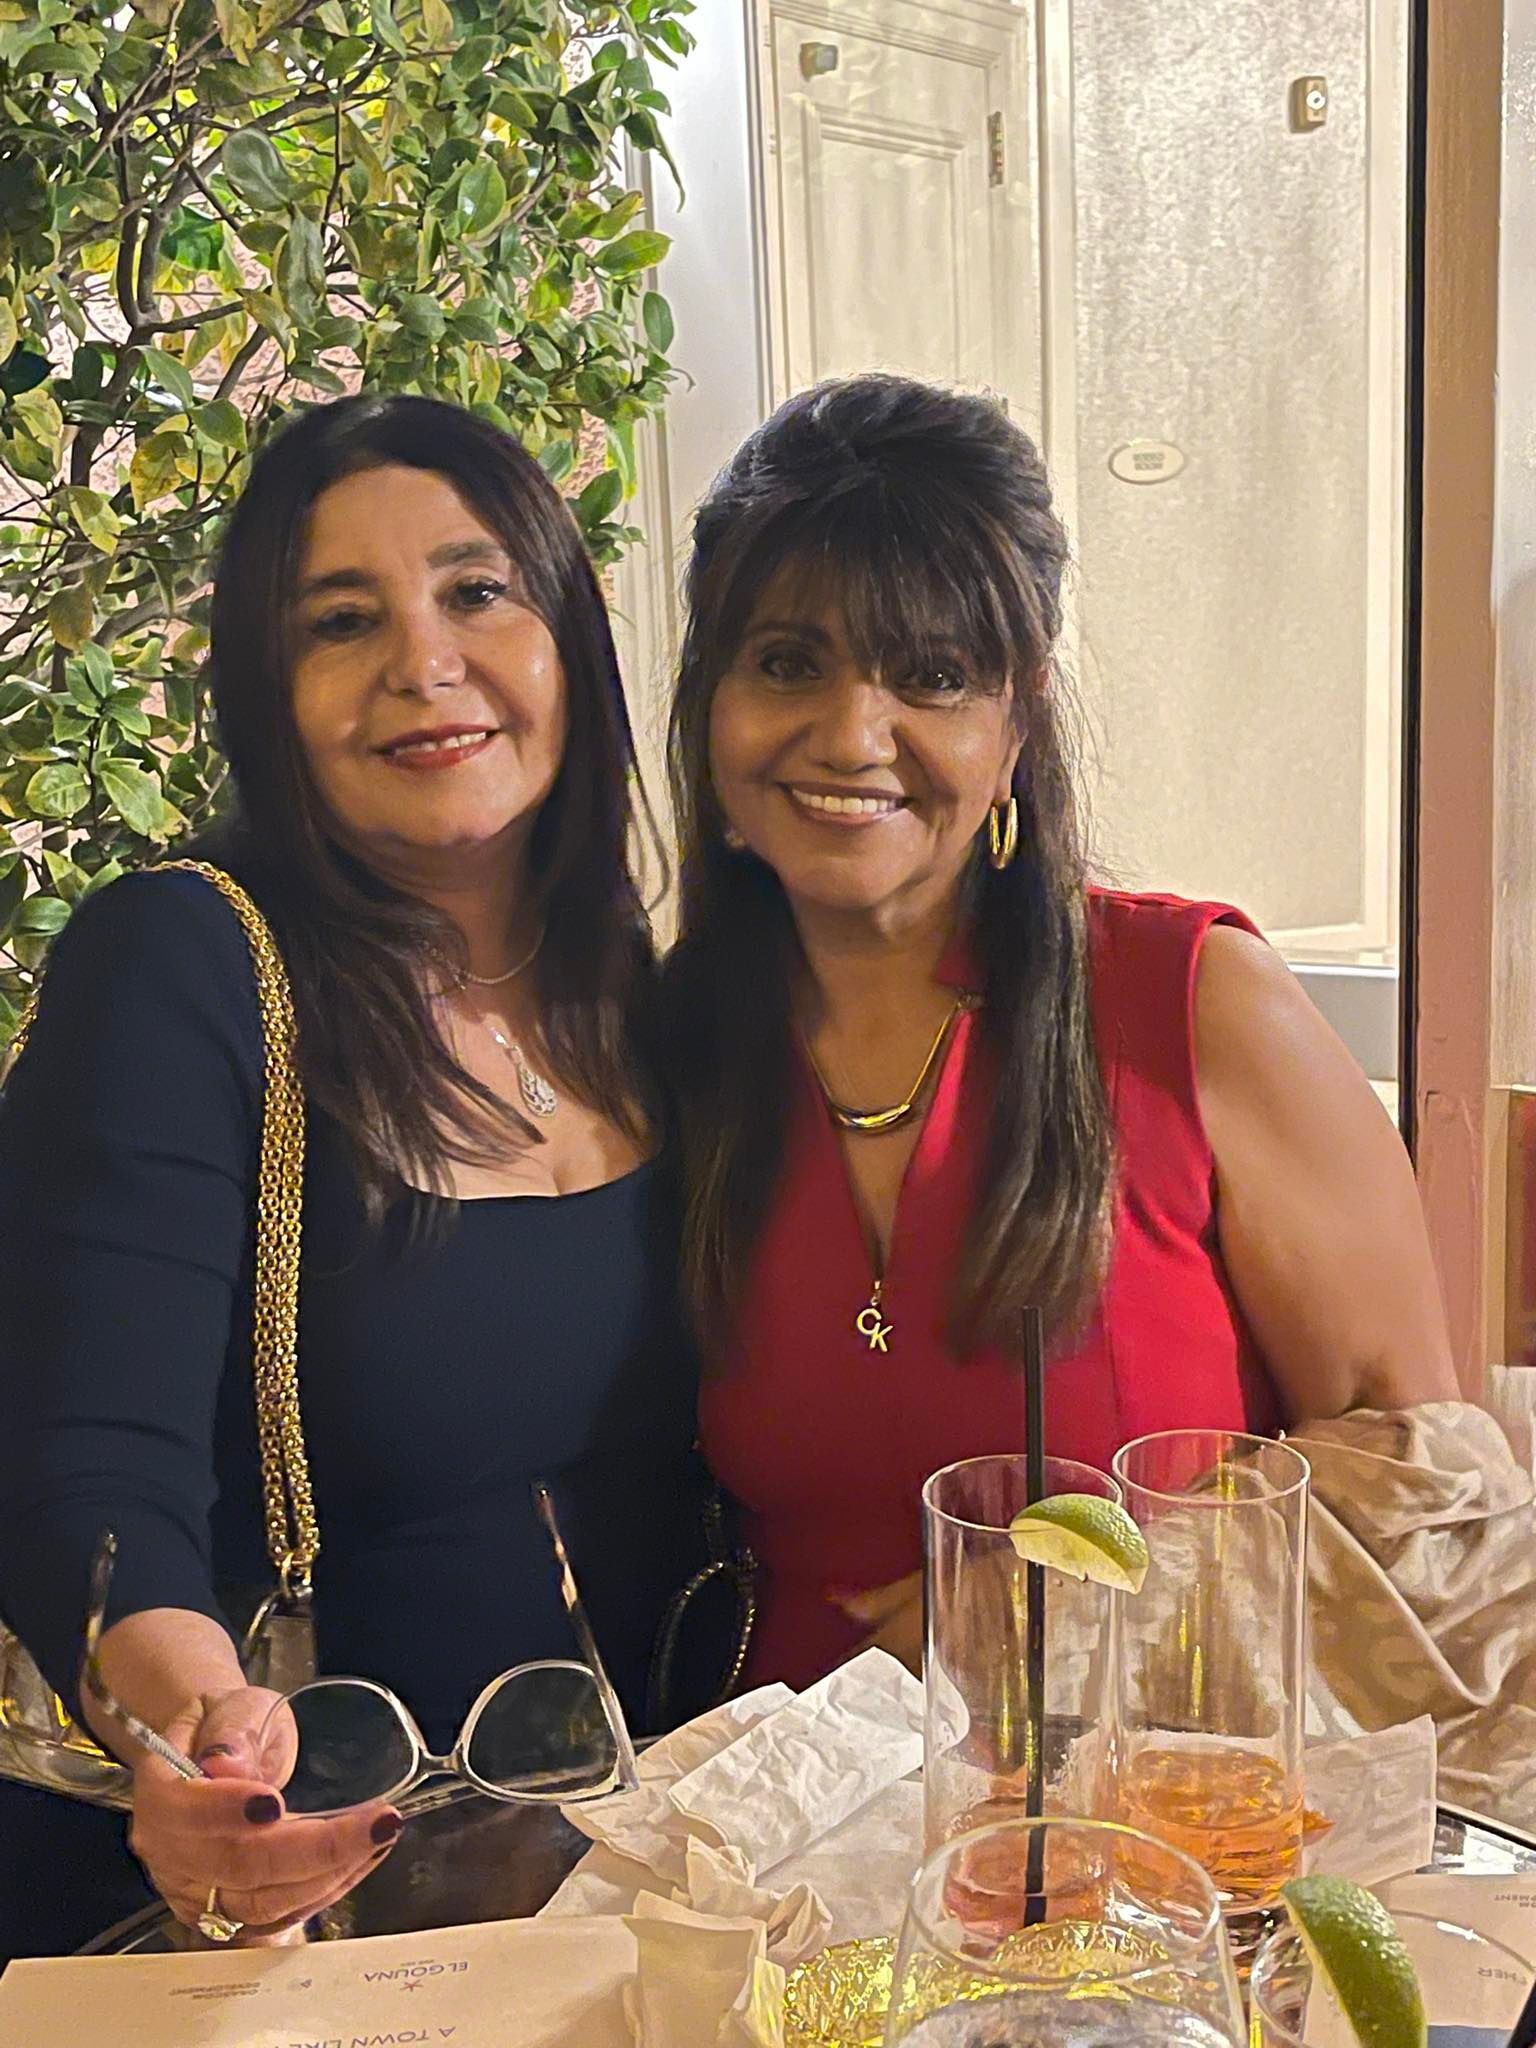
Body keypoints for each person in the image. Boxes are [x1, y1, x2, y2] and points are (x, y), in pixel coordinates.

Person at [0, 395, 696, 1956]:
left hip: (641, 1887)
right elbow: (89, 1474)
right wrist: (200, 1739)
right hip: (320, 1915)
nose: (423, 665)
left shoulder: (632, 987)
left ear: (567, 635)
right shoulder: (179, 965)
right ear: (269, 691)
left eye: (476, 590)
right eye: (341, 622)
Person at [658, 373, 1460, 1692]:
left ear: (1019, 720)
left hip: (1165, 1839)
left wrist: (1109, 1613)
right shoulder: (666, 1051)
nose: (854, 735)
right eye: (787, 662)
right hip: (772, 1848)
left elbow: (1425, 1484)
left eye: (931, 674)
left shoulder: (1189, 1000)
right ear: (712, 704)